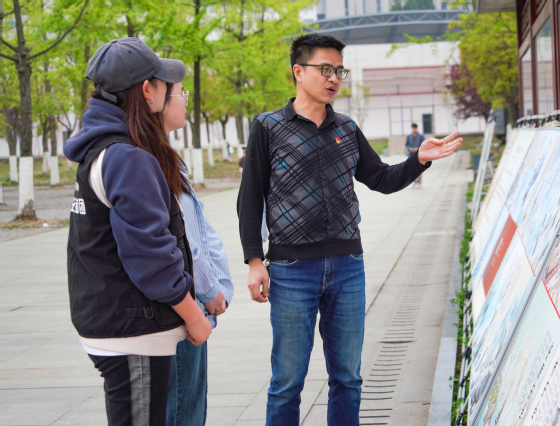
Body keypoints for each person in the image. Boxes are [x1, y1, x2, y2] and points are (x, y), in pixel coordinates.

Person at [237, 34, 462, 426]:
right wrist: (255, 261)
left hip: (347, 267)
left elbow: (381, 178)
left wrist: (418, 160)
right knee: (287, 381)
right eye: (325, 69)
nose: (334, 78)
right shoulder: (269, 127)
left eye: (339, 71)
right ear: (298, 71)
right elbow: (250, 197)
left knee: (348, 378)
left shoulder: (346, 127)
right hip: (291, 270)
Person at [64, 37, 212, 425]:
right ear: (148, 91)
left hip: (112, 321)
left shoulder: (103, 149)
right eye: (164, 83)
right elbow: (151, 257)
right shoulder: (128, 157)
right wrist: (194, 316)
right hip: (133, 329)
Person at [159, 81, 235, 425]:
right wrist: (209, 292)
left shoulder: (164, 155)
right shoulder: (155, 160)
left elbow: (199, 227)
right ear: (154, 96)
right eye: (181, 92)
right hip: (181, 311)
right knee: (183, 412)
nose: (186, 100)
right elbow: (186, 240)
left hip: (186, 306)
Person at [406, 123, 425, 188]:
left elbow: (423, 144)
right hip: (411, 155)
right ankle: (414, 181)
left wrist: (418, 148)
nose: (413, 129)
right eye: (412, 128)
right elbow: (407, 144)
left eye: (414, 128)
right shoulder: (409, 136)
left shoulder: (421, 136)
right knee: (412, 169)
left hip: (419, 154)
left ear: (416, 128)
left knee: (419, 168)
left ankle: (419, 182)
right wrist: (410, 148)